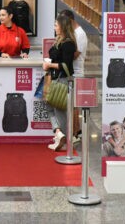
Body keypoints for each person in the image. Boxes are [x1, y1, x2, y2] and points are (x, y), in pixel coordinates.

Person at [44, 14, 76, 151]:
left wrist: (50, 65)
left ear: (62, 27)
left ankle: (63, 142)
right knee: (50, 106)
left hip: (61, 80)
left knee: (60, 111)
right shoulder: (60, 40)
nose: (54, 27)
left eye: (56, 25)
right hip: (55, 79)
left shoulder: (68, 43)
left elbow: (66, 66)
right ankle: (59, 134)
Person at [61, 9, 88, 142]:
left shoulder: (80, 34)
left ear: (70, 20)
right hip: (71, 72)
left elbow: (76, 54)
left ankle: (76, 134)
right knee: (71, 104)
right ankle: (74, 132)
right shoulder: (73, 33)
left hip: (77, 72)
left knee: (74, 105)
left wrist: (62, 56)